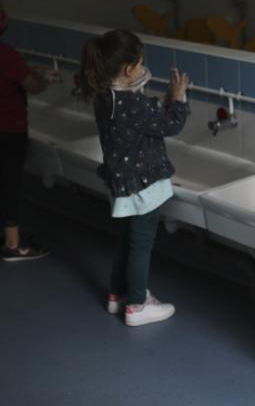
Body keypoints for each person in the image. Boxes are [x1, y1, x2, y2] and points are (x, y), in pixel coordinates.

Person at [79, 29, 190, 327]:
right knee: (142, 244)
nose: (143, 70)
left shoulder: (105, 98)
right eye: (140, 65)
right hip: (144, 186)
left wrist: (163, 101)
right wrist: (177, 99)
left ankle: (117, 294)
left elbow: (145, 120)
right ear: (129, 70)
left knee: (126, 240)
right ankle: (138, 305)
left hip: (121, 183)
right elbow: (169, 124)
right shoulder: (133, 105)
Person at [0, 0, 62, 262]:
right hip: (8, 130)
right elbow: (32, 85)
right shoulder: (5, 54)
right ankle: (13, 246)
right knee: (9, 185)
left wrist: (34, 71)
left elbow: (16, 73)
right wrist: (44, 79)